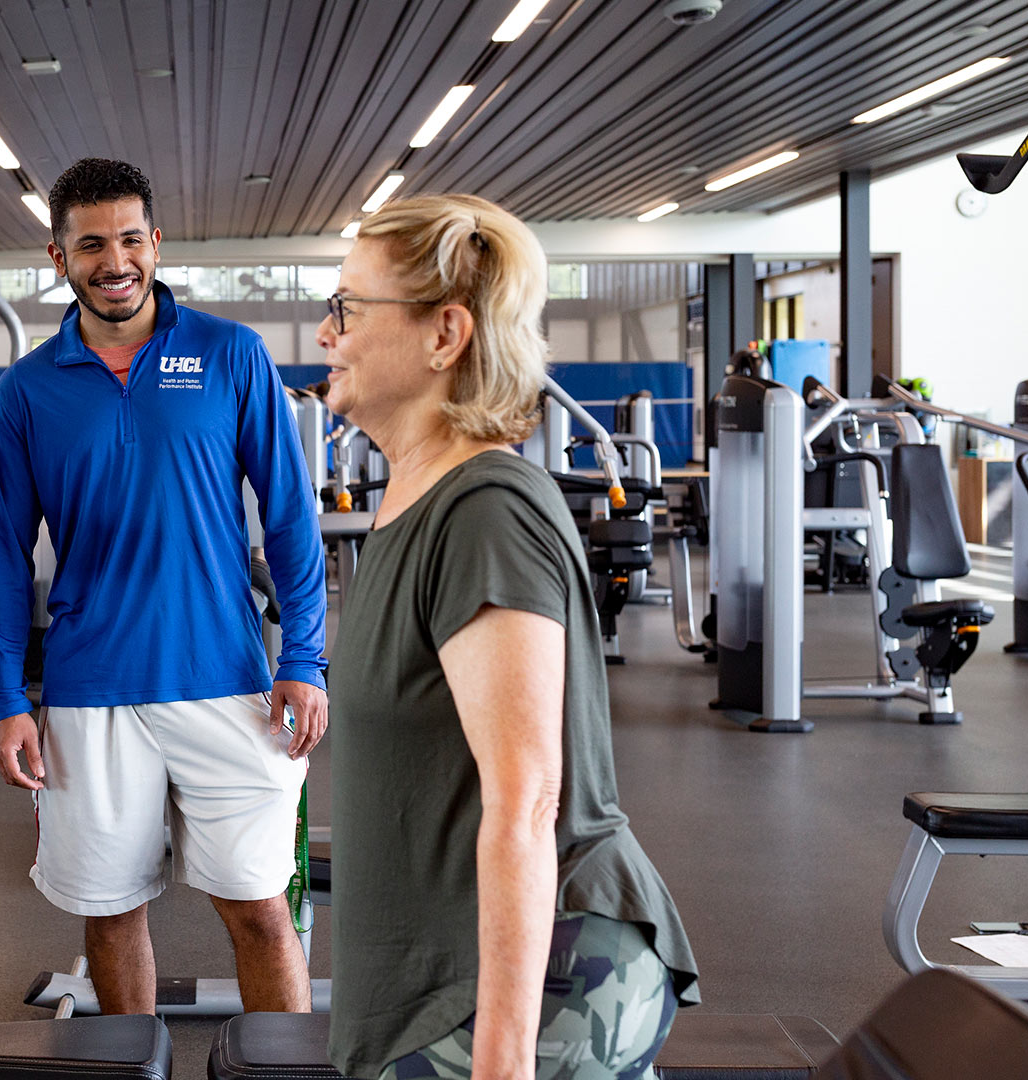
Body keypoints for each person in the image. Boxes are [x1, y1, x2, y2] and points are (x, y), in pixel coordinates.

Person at [317, 193, 698, 1080]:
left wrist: (502, 1061)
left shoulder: (486, 512)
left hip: (544, 988)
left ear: (443, 335)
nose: (327, 332)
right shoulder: (413, 499)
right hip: (436, 980)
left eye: (348, 308)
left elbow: (526, 801)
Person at [0, 157, 328, 1015]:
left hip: (229, 681)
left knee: (259, 911)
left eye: (131, 238)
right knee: (109, 913)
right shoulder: (25, 391)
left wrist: (306, 657)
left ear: (156, 243)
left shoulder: (231, 354)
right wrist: (3, 698)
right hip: (92, 687)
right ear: (58, 258)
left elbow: (289, 519)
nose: (115, 259)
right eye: (91, 243)